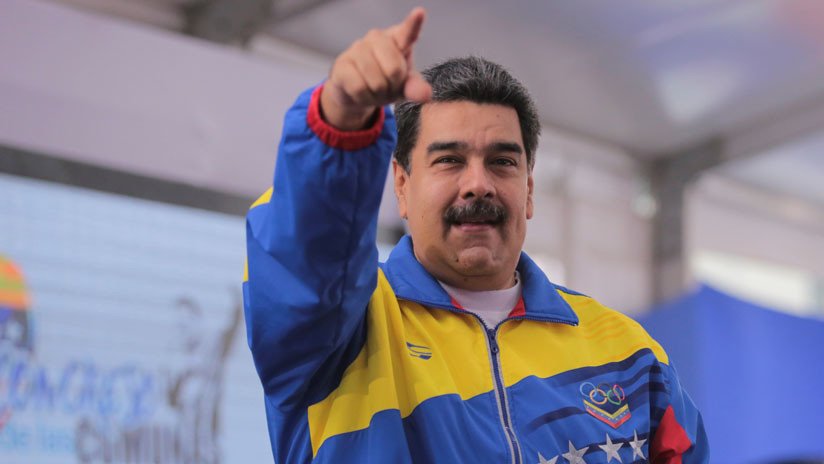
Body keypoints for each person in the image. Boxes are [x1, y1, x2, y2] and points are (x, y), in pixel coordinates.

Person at [243, 7, 708, 463]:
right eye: (449, 160)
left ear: (529, 190)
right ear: (402, 185)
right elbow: (305, 256)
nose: (478, 184)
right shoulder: (343, 329)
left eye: (502, 162)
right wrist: (339, 122)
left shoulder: (626, 352)